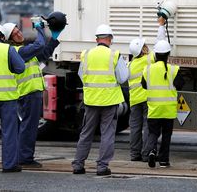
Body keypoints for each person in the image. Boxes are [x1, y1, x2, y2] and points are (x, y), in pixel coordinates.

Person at [2, 21, 62, 168]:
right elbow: (39, 45)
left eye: (18, 30)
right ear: (9, 39)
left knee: (28, 125)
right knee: (28, 126)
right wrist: (39, 29)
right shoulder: (18, 52)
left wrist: (54, 39)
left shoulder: (25, 51)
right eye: (15, 34)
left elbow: (43, 53)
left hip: (31, 93)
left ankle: (23, 156)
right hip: (27, 93)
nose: (19, 33)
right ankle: (25, 157)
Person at [72, 24, 129, 176]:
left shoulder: (87, 54)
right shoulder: (114, 55)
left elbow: (81, 75)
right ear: (110, 39)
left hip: (91, 100)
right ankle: (102, 167)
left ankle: (78, 165)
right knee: (107, 134)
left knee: (86, 132)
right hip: (109, 100)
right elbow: (123, 78)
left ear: (96, 39)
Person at [141, 40, 184, 168]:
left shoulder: (148, 69)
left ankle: (152, 151)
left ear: (155, 54)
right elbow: (181, 84)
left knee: (153, 133)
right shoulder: (173, 69)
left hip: (154, 109)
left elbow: (144, 85)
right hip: (169, 110)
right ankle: (164, 160)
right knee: (166, 135)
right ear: (168, 54)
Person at [0, 24, 25, 172]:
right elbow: (20, 68)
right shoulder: (7, 49)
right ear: (2, 37)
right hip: (7, 97)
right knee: (9, 131)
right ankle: (9, 165)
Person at [127, 37, 155, 162]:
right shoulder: (149, 59)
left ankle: (134, 154)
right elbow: (161, 45)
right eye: (145, 45)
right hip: (147, 98)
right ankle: (146, 154)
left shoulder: (130, 64)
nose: (147, 47)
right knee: (148, 127)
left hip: (134, 100)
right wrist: (161, 26)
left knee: (135, 128)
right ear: (143, 50)